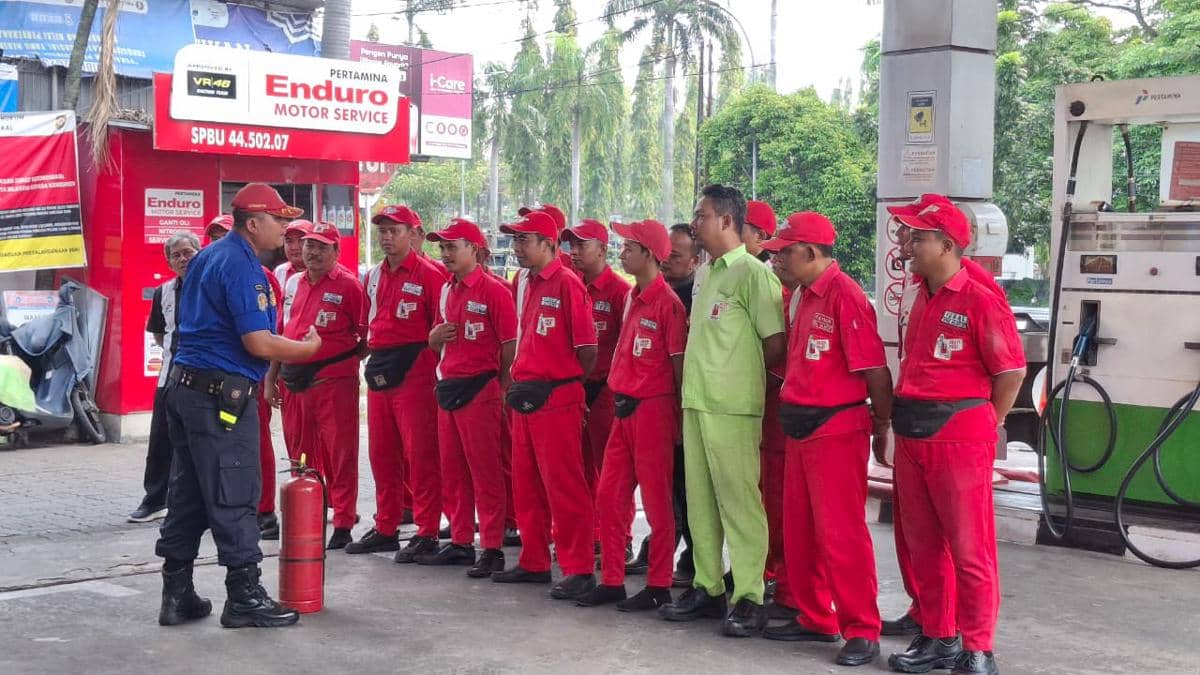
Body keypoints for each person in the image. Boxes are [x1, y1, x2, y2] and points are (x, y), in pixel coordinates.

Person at [155, 183, 320, 629]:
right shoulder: (242, 266)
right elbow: (258, 342)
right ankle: (244, 596)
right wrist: (307, 349)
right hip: (219, 397)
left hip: (186, 389)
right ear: (253, 223)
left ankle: (177, 594)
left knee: (188, 493)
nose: (285, 229)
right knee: (235, 492)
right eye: (278, 220)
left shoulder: (208, 256)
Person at [886, 201, 1025, 675]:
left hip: (959, 438)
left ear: (946, 245)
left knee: (969, 549)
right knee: (924, 545)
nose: (907, 245)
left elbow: (1011, 372)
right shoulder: (919, 294)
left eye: (917, 238)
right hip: (913, 432)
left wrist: (986, 423)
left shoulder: (980, 299)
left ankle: (978, 647)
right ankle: (939, 635)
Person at [758, 213, 893, 667]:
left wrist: (882, 426)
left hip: (835, 430)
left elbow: (875, 371)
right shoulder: (801, 296)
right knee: (800, 529)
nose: (777, 259)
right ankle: (815, 616)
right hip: (800, 428)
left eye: (785, 251)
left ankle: (862, 629)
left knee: (841, 533)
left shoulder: (845, 296)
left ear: (812, 252)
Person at [660, 184, 786, 638]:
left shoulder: (753, 273)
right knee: (700, 503)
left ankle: (750, 593)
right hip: (697, 402)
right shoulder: (705, 273)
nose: (695, 223)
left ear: (728, 221)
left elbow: (775, 344)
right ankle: (707, 586)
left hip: (732, 406)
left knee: (739, 502)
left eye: (702, 215)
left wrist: (737, 375)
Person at [576, 220, 686, 612]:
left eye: (629, 248)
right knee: (610, 495)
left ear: (649, 255)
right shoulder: (633, 298)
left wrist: (676, 420)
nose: (622, 254)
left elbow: (678, 368)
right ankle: (612, 580)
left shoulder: (668, 304)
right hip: (624, 407)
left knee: (657, 503)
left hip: (654, 411)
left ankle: (659, 583)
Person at [492, 210, 598, 601]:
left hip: (557, 398)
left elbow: (587, 351)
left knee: (564, 485)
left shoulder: (567, 283)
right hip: (526, 396)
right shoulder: (524, 282)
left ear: (548, 244)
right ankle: (534, 560)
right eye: (515, 240)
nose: (517, 247)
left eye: (524, 240)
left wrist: (561, 382)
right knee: (526, 484)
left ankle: (578, 568)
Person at [347, 204, 447, 560]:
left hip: (418, 368)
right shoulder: (373, 276)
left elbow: (440, 331)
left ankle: (427, 530)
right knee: (382, 452)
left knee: (420, 453)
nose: (387, 238)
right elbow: (367, 324)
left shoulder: (431, 275)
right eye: (383, 231)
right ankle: (386, 525)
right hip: (381, 366)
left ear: (413, 234)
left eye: (395, 231)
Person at [424, 218, 518, 577]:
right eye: (442, 247)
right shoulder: (447, 290)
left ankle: (492, 547)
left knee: (485, 472)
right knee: (453, 470)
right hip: (449, 386)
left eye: (452, 247)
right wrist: (434, 338)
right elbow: (436, 341)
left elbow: (510, 345)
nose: (445, 254)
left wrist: (503, 386)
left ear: (474, 250)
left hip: (482, 390)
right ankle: (461, 541)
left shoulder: (495, 291)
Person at [265, 221, 367, 550]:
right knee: (299, 452)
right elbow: (283, 330)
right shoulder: (293, 282)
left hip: (332, 383)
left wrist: (339, 362)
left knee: (340, 453)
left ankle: (343, 522)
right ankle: (306, 512)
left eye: (322, 246)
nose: (312, 252)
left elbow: (365, 335)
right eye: (309, 245)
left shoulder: (350, 286)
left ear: (336, 251)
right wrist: (271, 377)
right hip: (293, 381)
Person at [204, 214, 284, 539]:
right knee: (221, 445)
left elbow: (270, 333)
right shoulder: (207, 274)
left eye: (223, 236)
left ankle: (264, 510)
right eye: (214, 238)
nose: (218, 244)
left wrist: (269, 379)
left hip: (248, 377)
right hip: (215, 379)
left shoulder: (261, 277)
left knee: (256, 443)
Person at [561, 220, 631, 516]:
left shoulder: (620, 292)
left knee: (611, 468)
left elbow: (625, 348)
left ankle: (618, 533)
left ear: (602, 249)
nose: (574, 252)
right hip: (574, 388)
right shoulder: (570, 285)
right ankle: (591, 530)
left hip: (605, 392)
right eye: (572, 245)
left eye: (582, 245)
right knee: (579, 466)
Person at [128, 232, 199, 524]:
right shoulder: (164, 292)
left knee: (200, 440)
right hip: (169, 375)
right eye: (176, 255)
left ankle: (200, 503)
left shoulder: (210, 287)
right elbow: (159, 334)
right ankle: (156, 499)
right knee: (160, 439)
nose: (182, 259)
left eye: (187, 252)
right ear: (169, 262)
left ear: (199, 253)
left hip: (204, 376)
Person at [743, 198, 792, 613]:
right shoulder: (735, 277)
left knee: (781, 504)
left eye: (783, 253)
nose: (778, 259)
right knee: (760, 498)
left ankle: (781, 579)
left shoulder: (778, 289)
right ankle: (762, 571)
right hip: (759, 414)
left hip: (784, 415)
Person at [273, 219, 313, 461]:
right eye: (289, 241)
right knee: (294, 436)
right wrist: (272, 376)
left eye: (302, 241)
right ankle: (301, 480)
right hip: (287, 369)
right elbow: (278, 325)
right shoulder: (280, 273)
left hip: (322, 373)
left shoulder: (341, 279)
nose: (295, 247)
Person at [273, 219, 310, 288]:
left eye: (301, 240)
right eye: (289, 241)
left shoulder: (323, 273)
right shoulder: (280, 271)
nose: (294, 247)